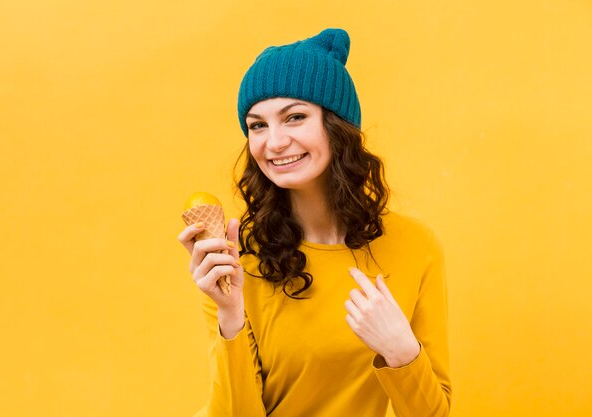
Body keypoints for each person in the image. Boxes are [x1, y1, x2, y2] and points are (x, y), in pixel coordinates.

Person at [178, 28, 452, 417]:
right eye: (258, 125)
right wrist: (229, 313)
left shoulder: (416, 246)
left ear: (336, 126)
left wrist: (401, 351)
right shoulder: (237, 257)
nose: (273, 142)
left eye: (295, 117)